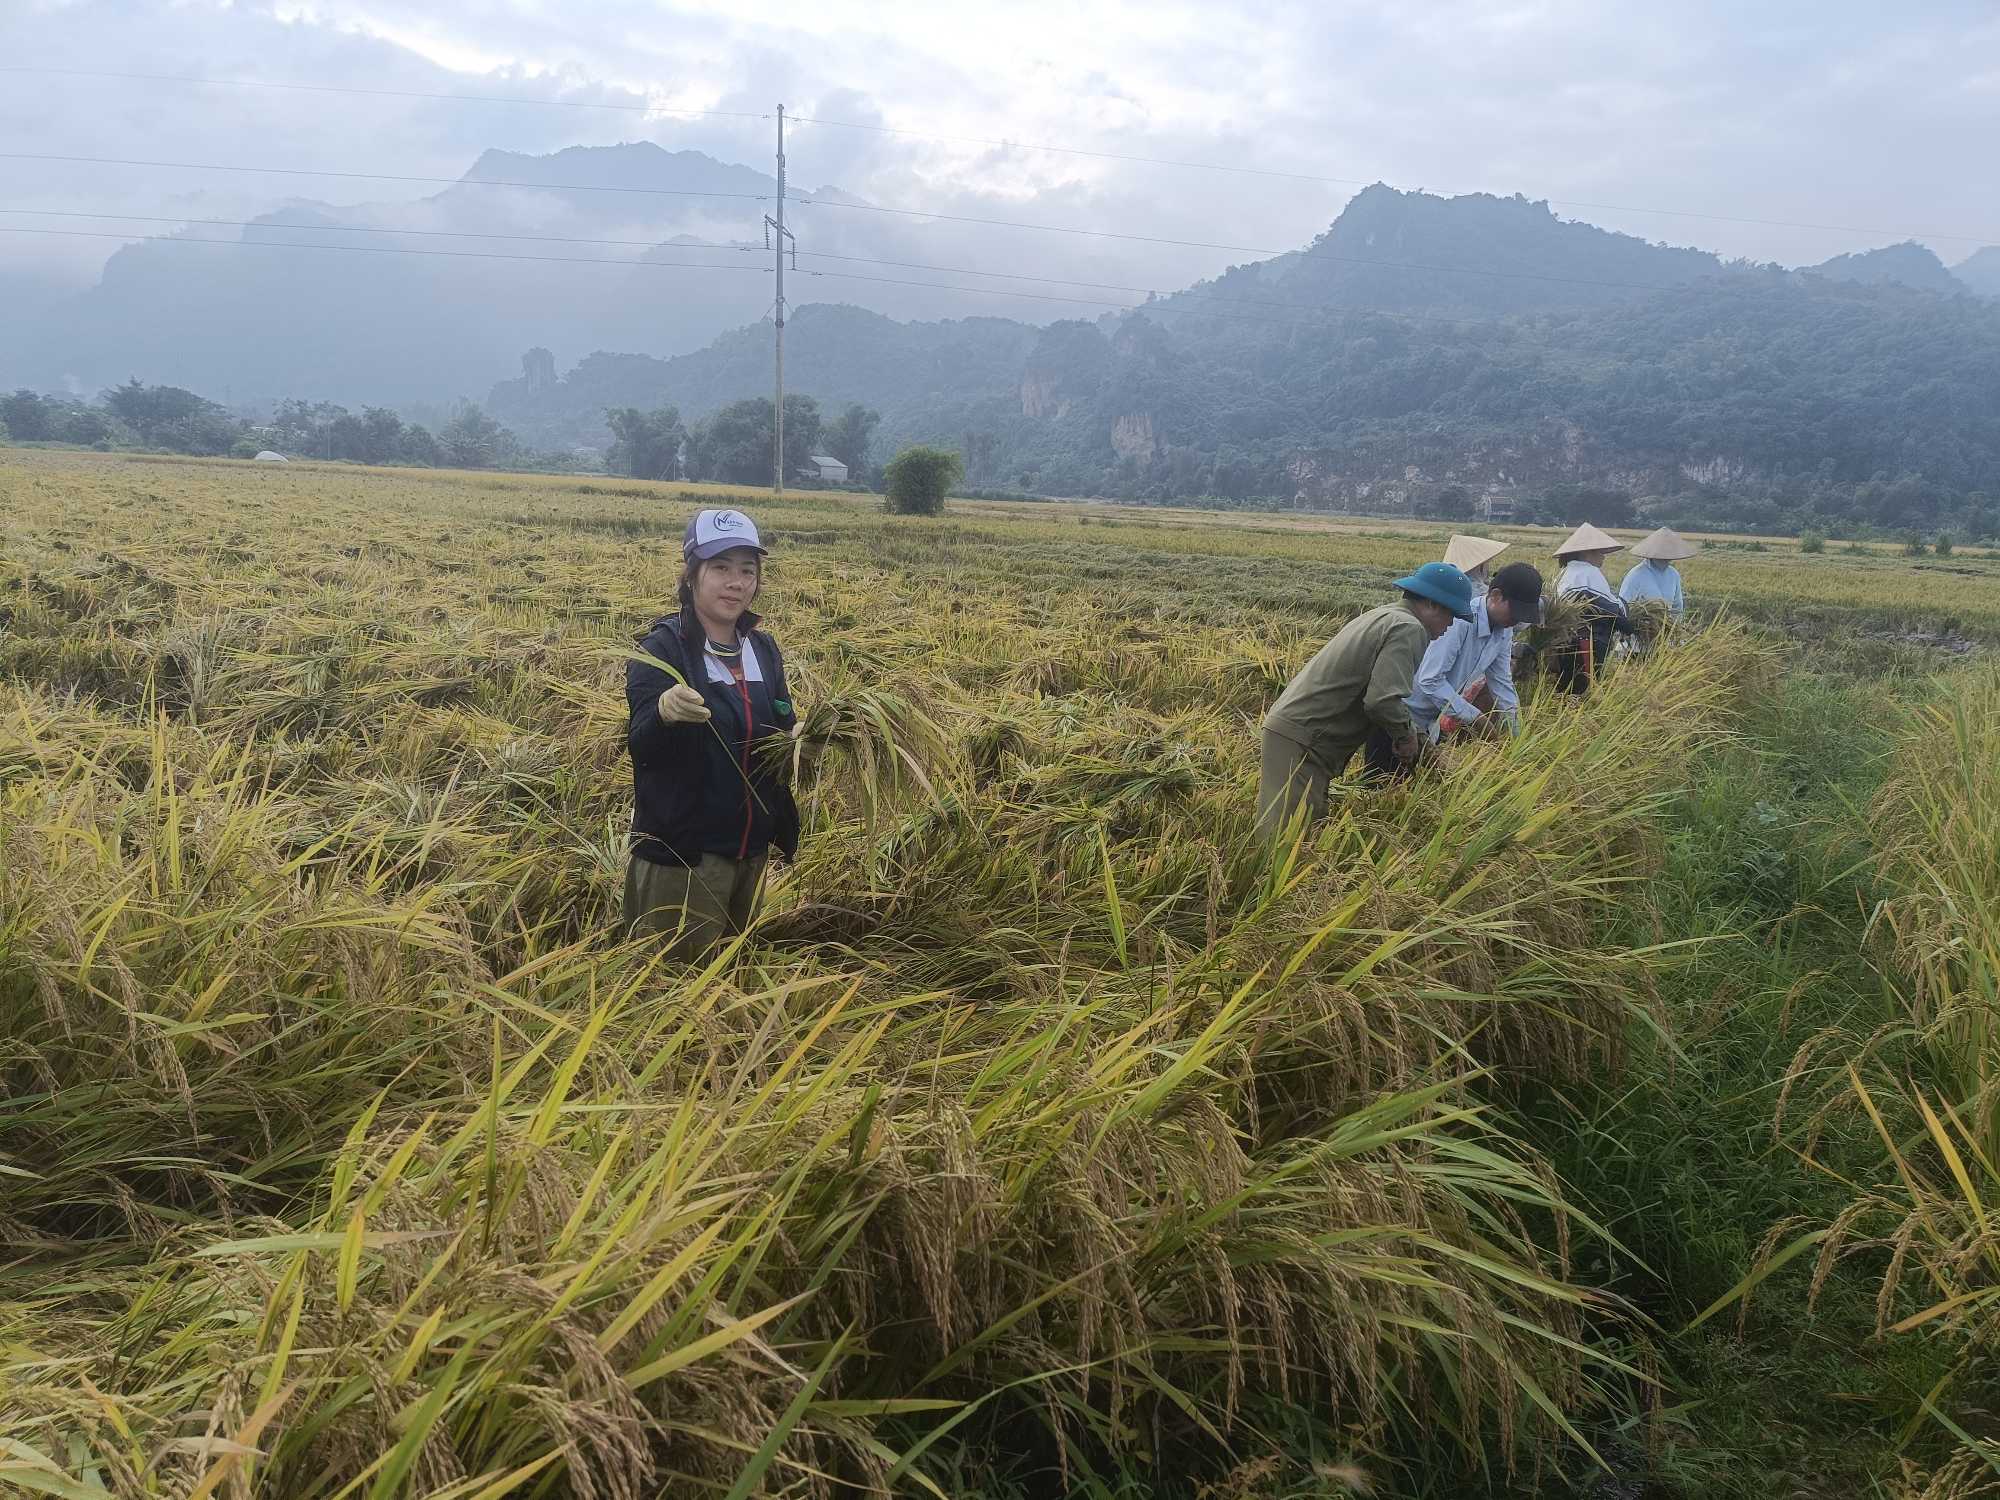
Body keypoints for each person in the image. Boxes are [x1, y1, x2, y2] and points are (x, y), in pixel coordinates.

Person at [623, 508, 801, 955]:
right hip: (685, 858)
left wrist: (801, 741)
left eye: (747, 570)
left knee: (731, 973)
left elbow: (780, 727)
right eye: (721, 568)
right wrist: (663, 713)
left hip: (751, 852)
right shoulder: (662, 649)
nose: (736, 582)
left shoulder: (762, 648)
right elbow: (640, 746)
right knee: (671, 983)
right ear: (692, 574)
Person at [1258, 561, 1476, 840]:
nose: (1450, 625)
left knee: (1303, 832)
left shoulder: (1384, 615)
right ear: (1432, 603)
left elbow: (1384, 699)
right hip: (1304, 741)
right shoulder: (1410, 628)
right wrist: (1405, 738)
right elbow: (1382, 701)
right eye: (1451, 615)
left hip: (1300, 735)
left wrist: (1419, 741)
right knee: (1286, 842)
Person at [1405, 561, 1544, 743]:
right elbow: (1430, 680)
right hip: (1406, 714)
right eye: (1515, 612)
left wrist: (1517, 734)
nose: (1517, 620)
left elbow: (1501, 682)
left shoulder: (1504, 630)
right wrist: (1476, 718)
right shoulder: (1460, 621)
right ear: (1495, 596)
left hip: (1432, 720)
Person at [1549, 523, 1634, 695]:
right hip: (1587, 643)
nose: (1603, 556)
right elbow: (1610, 609)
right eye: (1600, 552)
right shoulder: (1589, 572)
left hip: (1562, 642)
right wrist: (1629, 625)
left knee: (1565, 688)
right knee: (1585, 690)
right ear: (1586, 553)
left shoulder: (1565, 573)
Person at [1620, 527, 1694, 617]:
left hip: (1667, 623)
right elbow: (1623, 606)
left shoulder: (1673, 574)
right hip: (1640, 623)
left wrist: (1676, 624)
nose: (1666, 557)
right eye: (1663, 552)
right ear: (1652, 552)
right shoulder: (1636, 575)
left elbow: (1677, 607)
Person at [1443, 534, 1510, 587]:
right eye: (1486, 563)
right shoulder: (1482, 592)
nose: (1487, 567)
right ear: (1480, 566)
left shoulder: (1450, 584)